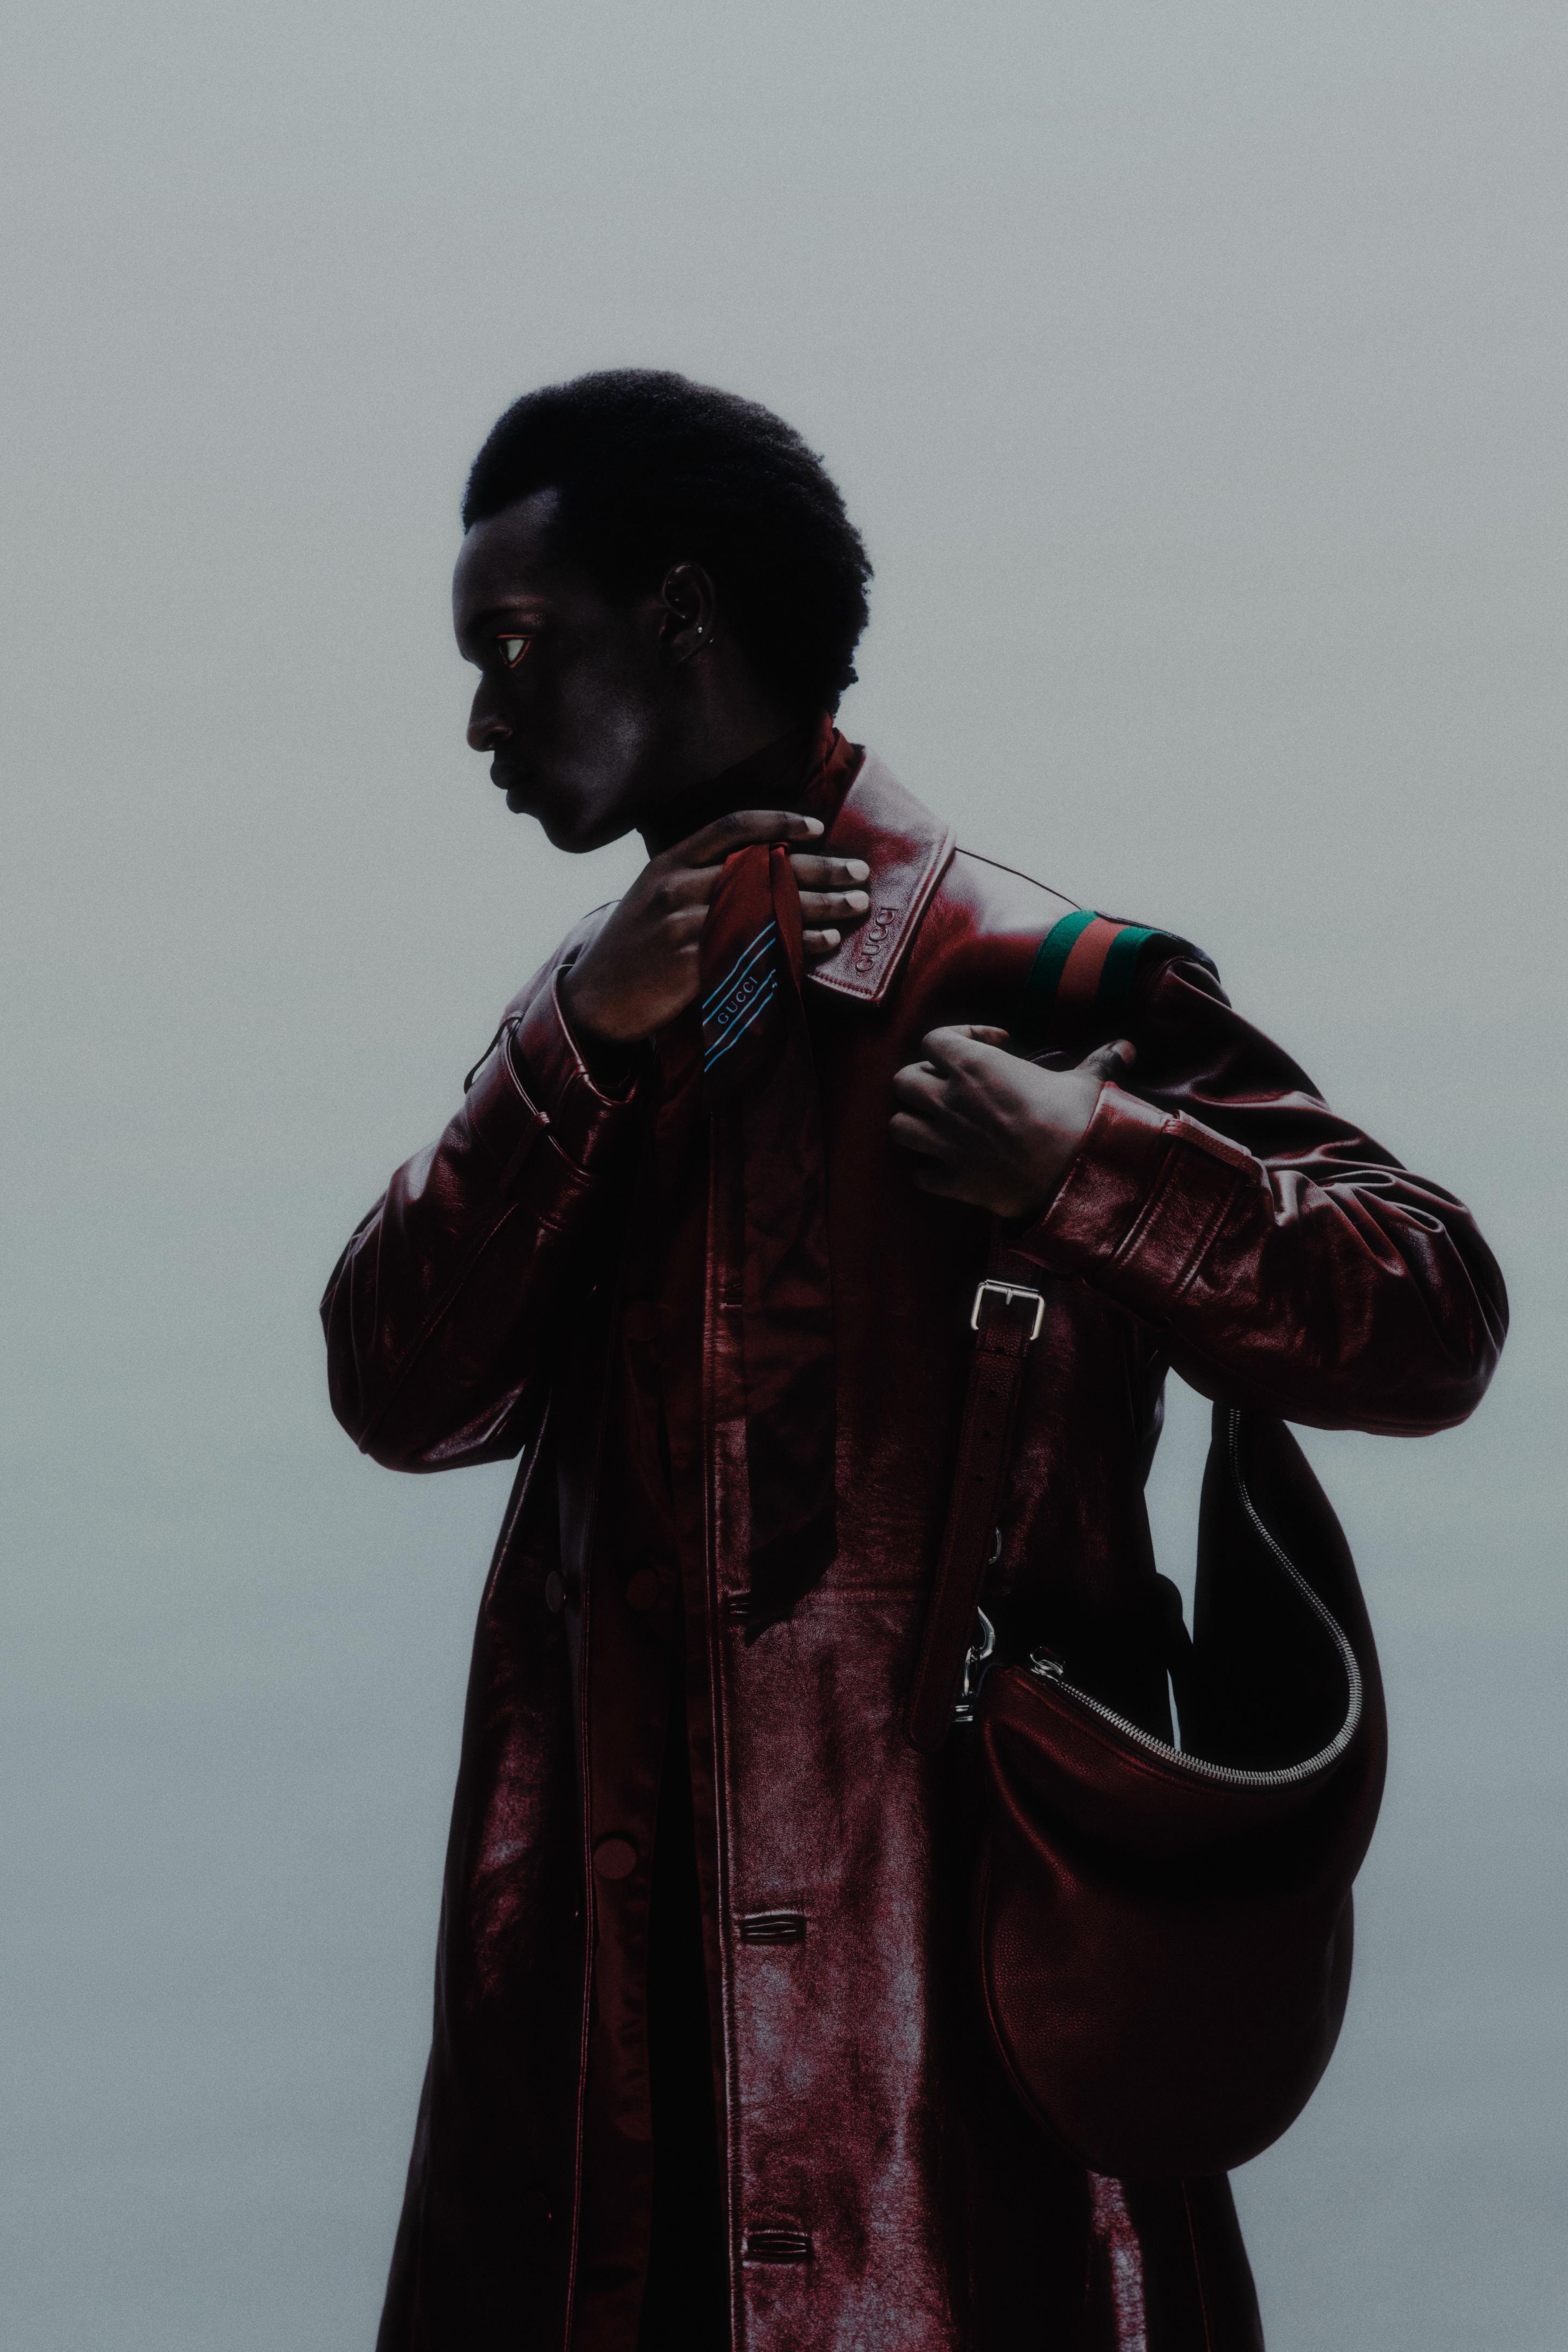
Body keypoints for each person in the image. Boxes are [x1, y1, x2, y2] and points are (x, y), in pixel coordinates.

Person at [321, 370, 1506, 2352]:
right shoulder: (607, 1021)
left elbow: (1432, 1311)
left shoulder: (1057, 990)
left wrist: (1093, 1167)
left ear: (683, 616)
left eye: (520, 646)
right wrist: (576, 1049)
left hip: (954, 2079)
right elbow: (395, 1385)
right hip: (602, 2078)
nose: (481, 720)